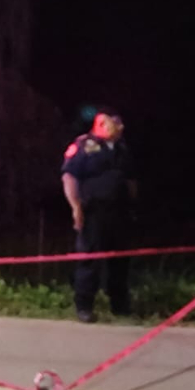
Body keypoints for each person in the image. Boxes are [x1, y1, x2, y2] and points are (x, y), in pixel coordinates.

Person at [60, 107, 137, 323]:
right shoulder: (84, 145)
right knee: (90, 260)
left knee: (120, 261)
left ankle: (120, 305)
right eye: (116, 123)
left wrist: (132, 205)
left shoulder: (122, 148)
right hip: (93, 212)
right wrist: (75, 207)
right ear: (102, 124)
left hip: (120, 213)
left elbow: (130, 180)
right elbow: (70, 177)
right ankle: (84, 306)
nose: (121, 127)